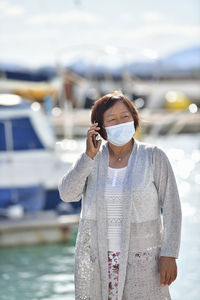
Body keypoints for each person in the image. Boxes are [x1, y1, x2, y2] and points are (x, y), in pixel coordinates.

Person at [58, 91, 182, 300]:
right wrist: (88, 156)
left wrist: (169, 254)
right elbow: (67, 194)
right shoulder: (92, 161)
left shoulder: (154, 156)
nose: (120, 122)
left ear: (134, 119)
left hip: (143, 261)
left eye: (125, 117)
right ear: (100, 127)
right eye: (112, 119)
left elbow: (172, 208)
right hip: (98, 261)